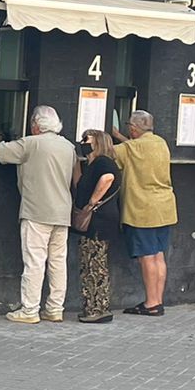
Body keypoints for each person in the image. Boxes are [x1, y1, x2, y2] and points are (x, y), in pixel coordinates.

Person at [0, 106, 77, 324]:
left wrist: (1, 140)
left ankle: (30, 310)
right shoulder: (68, 146)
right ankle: (55, 308)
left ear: (35, 125)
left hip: (37, 210)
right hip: (62, 211)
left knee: (34, 262)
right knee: (58, 262)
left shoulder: (31, 143)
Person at [110, 110, 175, 317]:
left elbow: (110, 153)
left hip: (142, 209)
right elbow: (135, 147)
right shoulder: (160, 143)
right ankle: (158, 299)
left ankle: (151, 303)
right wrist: (122, 137)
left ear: (133, 129)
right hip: (164, 208)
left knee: (146, 257)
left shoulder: (130, 148)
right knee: (158, 255)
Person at [71, 130, 120, 324]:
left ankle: (97, 308)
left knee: (95, 264)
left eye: (86, 140)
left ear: (98, 142)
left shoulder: (103, 162)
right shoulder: (90, 165)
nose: (82, 143)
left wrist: (92, 202)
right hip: (95, 220)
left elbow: (108, 178)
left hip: (99, 220)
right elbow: (78, 185)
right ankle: (93, 306)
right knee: (89, 262)